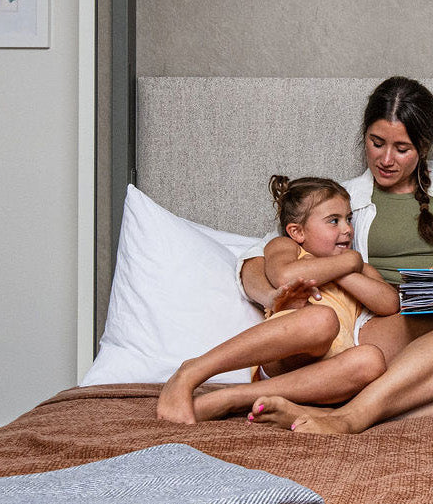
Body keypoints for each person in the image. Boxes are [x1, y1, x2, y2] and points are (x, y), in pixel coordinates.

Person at [246, 77, 433, 434]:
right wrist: (269, 295)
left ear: (424, 147)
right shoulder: (344, 197)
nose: (386, 159)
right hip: (380, 323)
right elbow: (260, 254)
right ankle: (354, 417)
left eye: (402, 149)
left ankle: (369, 411)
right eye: (376, 143)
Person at [156, 176, 397, 424]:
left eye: (348, 219)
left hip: (325, 374)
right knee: (322, 319)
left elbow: (389, 303)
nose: (346, 229)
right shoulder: (287, 247)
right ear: (297, 232)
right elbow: (284, 275)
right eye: (333, 221)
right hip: (286, 355)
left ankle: (233, 398)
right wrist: (345, 263)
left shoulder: (358, 267)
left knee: (371, 360)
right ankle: (193, 371)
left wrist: (347, 267)